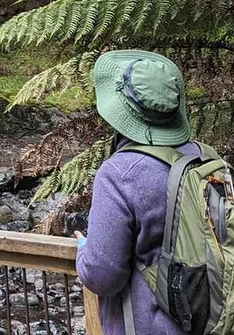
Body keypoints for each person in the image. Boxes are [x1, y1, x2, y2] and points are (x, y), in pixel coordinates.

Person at [74, 50, 198, 335]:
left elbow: (102, 276)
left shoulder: (120, 173)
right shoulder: (204, 157)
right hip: (214, 319)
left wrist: (83, 250)